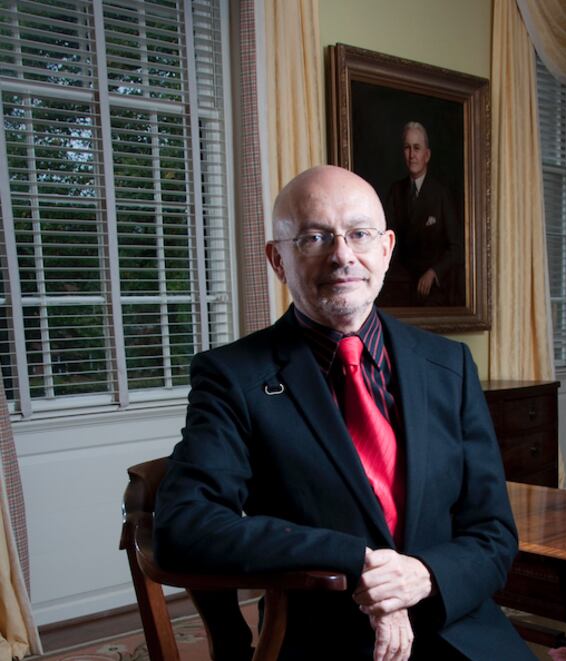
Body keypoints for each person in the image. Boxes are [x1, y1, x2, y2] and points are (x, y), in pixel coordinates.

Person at [153, 165, 534, 661]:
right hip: (324, 640)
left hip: (455, 626)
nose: (342, 256)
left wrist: (421, 577)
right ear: (277, 258)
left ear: (387, 248)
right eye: (314, 237)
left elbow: (494, 536)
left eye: (359, 234)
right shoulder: (232, 377)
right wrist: (358, 561)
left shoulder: (449, 366)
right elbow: (184, 527)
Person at [383, 122, 462, 306]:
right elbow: (386, 239)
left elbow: (456, 248)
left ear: (427, 155)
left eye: (417, 148)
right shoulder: (396, 191)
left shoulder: (442, 194)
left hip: (433, 290)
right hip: (401, 285)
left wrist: (434, 272)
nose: (412, 155)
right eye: (407, 148)